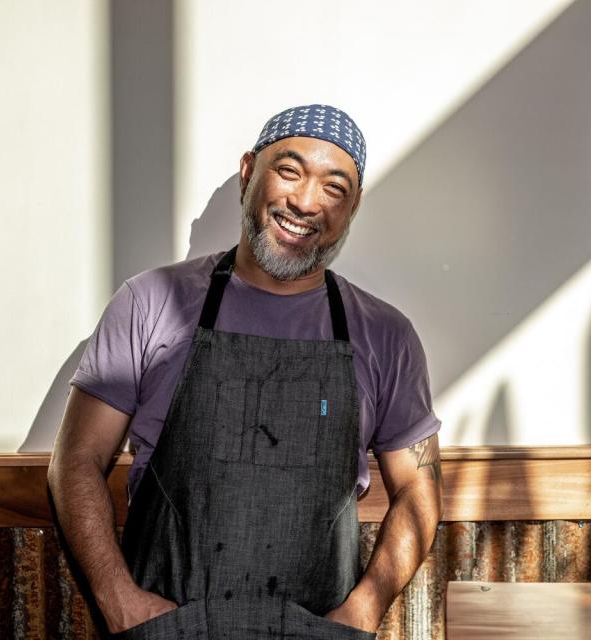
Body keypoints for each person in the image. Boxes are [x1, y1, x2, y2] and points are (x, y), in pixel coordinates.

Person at [47, 104, 443, 639]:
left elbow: (419, 493)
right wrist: (120, 603)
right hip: (168, 629)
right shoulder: (150, 303)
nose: (305, 202)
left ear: (352, 209)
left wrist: (363, 611)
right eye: (289, 171)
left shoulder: (385, 335)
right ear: (247, 173)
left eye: (334, 187)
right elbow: (75, 461)